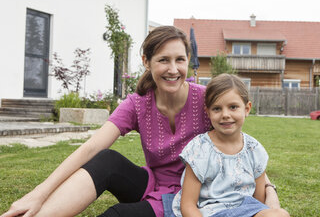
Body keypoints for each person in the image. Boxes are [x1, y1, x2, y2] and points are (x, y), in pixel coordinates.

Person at [1, 26, 280, 217]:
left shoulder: (207, 101)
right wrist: (38, 194)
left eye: (180, 60)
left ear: (188, 62)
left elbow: (239, 148)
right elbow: (90, 149)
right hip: (153, 186)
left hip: (197, 197)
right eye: (163, 60)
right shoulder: (137, 104)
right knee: (107, 159)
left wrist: (269, 195)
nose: (173, 70)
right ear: (147, 61)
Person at [170, 74, 290, 217]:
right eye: (217, 109)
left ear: (246, 109)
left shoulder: (254, 149)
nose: (225, 114)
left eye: (233, 107)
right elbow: (188, 205)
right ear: (207, 112)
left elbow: (259, 201)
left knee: (280, 214)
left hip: (247, 209)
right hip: (212, 211)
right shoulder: (200, 149)